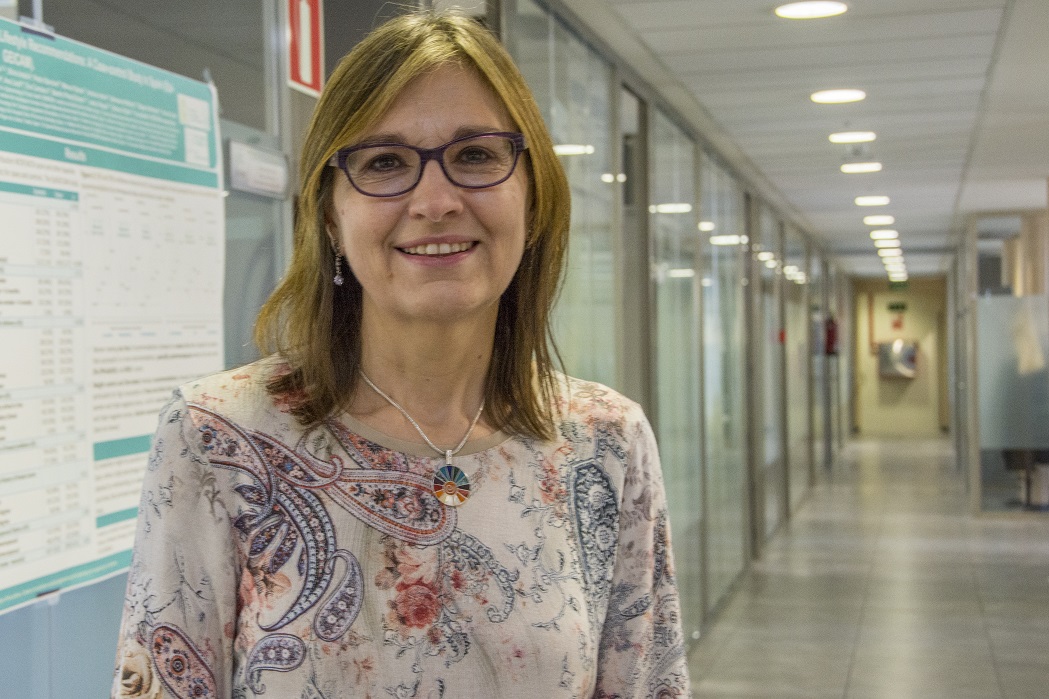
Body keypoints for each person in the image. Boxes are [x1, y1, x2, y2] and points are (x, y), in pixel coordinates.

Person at [112, 10, 691, 699]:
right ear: (330, 215)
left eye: (475, 155)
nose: (435, 201)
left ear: (533, 198)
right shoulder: (216, 435)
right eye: (384, 162)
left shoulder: (607, 442)